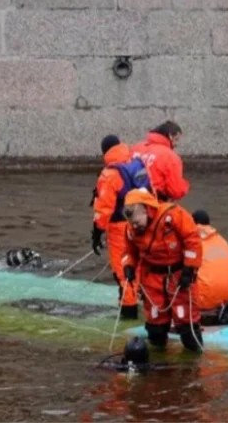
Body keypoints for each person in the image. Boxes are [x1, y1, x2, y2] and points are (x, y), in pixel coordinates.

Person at [120, 189, 203, 352]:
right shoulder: (131, 229)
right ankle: (158, 355)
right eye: (132, 223)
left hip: (178, 275)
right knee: (155, 326)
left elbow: (192, 240)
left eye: (137, 222)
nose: (135, 226)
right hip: (152, 278)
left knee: (187, 323)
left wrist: (189, 269)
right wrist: (128, 266)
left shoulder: (173, 216)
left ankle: (194, 356)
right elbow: (129, 252)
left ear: (146, 210)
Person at [91, 135, 151, 320]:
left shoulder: (110, 174)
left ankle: (128, 311)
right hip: (143, 222)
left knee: (123, 270)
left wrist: (97, 232)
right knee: (141, 265)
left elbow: (104, 208)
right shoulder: (137, 164)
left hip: (120, 228)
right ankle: (149, 306)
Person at [131, 121, 189, 202]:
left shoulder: (136, 148)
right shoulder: (171, 157)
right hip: (154, 203)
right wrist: (185, 186)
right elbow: (176, 191)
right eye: (176, 139)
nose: (176, 144)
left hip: (130, 199)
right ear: (170, 136)